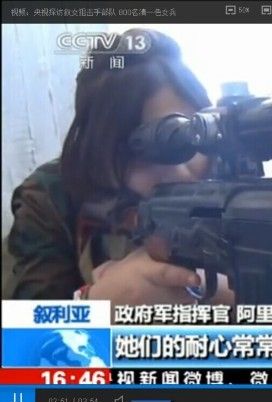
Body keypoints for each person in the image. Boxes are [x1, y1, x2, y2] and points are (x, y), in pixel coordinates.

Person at [6, 28, 227, 306]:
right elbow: (25, 326)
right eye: (150, 152)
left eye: (189, 139)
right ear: (102, 150)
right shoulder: (50, 196)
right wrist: (97, 303)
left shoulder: (230, 176)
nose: (182, 172)